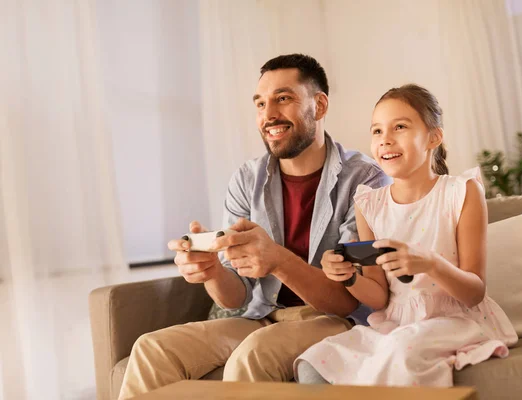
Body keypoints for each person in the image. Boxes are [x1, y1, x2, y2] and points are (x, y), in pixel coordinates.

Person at [118, 54, 390, 399]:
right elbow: (236, 297)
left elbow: (346, 302)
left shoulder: (366, 180)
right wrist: (212, 270)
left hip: (336, 320)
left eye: (283, 98)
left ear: (319, 106)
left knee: (253, 354)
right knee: (151, 349)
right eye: (260, 103)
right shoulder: (246, 180)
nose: (269, 114)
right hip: (261, 315)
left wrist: (278, 259)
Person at [295, 84, 518, 387]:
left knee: (401, 352)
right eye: (377, 131)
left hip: (456, 320)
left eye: (399, 127)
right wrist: (349, 278)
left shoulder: (461, 192)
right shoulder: (368, 205)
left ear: (433, 137)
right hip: (396, 324)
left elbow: (474, 292)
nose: (385, 139)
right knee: (316, 362)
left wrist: (432, 264)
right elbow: (378, 297)